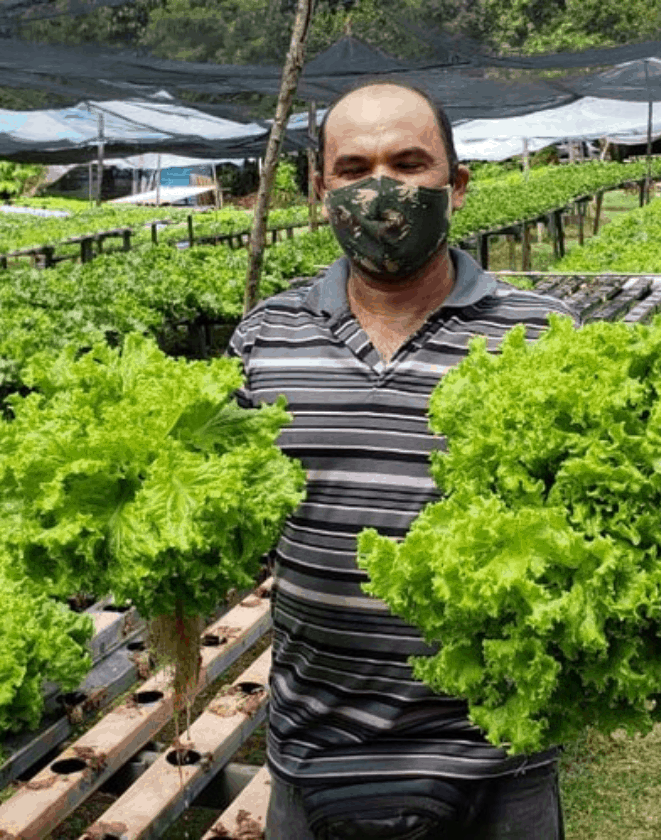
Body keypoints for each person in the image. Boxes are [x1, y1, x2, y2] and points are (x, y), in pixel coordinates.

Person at [229, 81, 575, 840]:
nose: (381, 187)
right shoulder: (264, 339)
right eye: (353, 169)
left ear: (457, 183)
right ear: (322, 191)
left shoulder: (550, 338)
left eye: (410, 163)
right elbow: (235, 522)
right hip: (316, 750)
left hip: (496, 758)